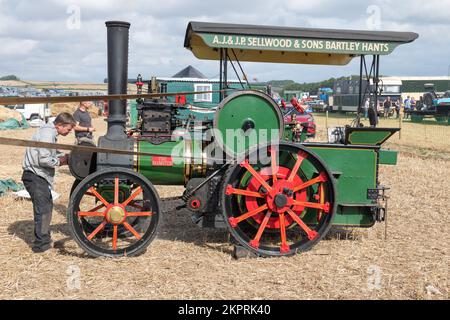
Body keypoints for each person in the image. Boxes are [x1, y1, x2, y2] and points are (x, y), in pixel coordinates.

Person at [22, 113, 76, 253]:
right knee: (43, 209)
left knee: (46, 207)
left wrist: (64, 156)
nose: (69, 132)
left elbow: (50, 152)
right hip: (35, 176)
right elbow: (44, 159)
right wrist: (60, 161)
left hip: (37, 176)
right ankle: (41, 246)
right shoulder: (48, 134)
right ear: (60, 125)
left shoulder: (49, 132)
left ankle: (44, 240)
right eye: (68, 129)